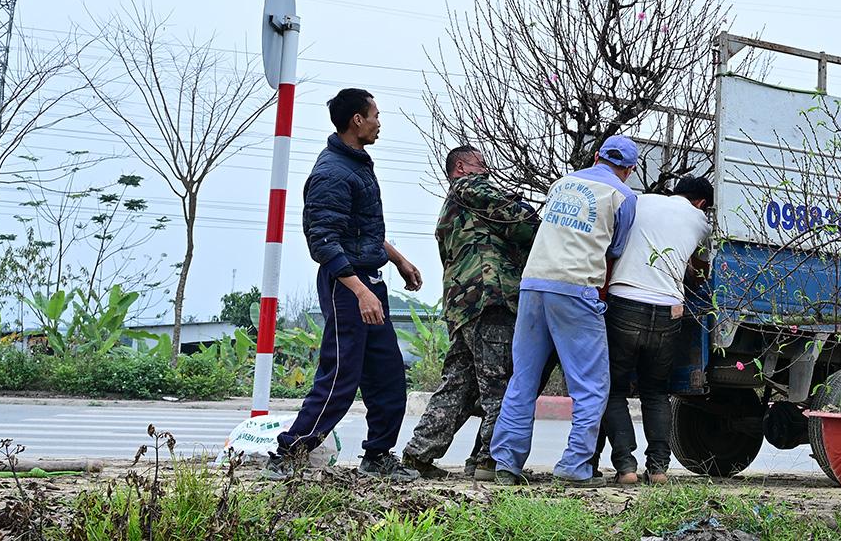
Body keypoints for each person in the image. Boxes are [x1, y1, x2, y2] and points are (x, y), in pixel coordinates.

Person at [265, 88, 424, 481]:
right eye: (375, 115)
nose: (379, 123)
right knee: (340, 375)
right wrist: (360, 290)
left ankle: (378, 456)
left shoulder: (356, 164)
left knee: (388, 374)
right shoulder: (331, 173)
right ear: (357, 120)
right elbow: (323, 241)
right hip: (347, 286)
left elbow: (362, 230)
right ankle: (289, 454)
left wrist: (398, 259)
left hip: (369, 282)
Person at [489, 136, 640, 487]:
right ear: (630, 170)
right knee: (591, 385)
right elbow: (614, 249)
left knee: (523, 379)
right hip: (575, 287)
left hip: (533, 284)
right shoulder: (623, 196)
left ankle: (506, 463)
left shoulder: (562, 183)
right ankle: (574, 465)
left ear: (597, 156)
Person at [402, 145, 540, 480]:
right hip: (490, 298)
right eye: (481, 163)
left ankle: (418, 454)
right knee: (500, 386)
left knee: (458, 386)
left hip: (464, 305)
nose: (487, 169)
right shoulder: (469, 187)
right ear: (461, 168)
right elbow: (521, 223)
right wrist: (538, 219)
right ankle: (490, 461)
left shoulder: (454, 208)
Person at [596, 176, 715, 484]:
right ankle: (659, 467)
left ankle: (626, 467)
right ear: (702, 203)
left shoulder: (640, 201)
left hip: (624, 303)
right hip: (668, 310)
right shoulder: (701, 223)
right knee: (656, 391)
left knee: (614, 390)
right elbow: (699, 273)